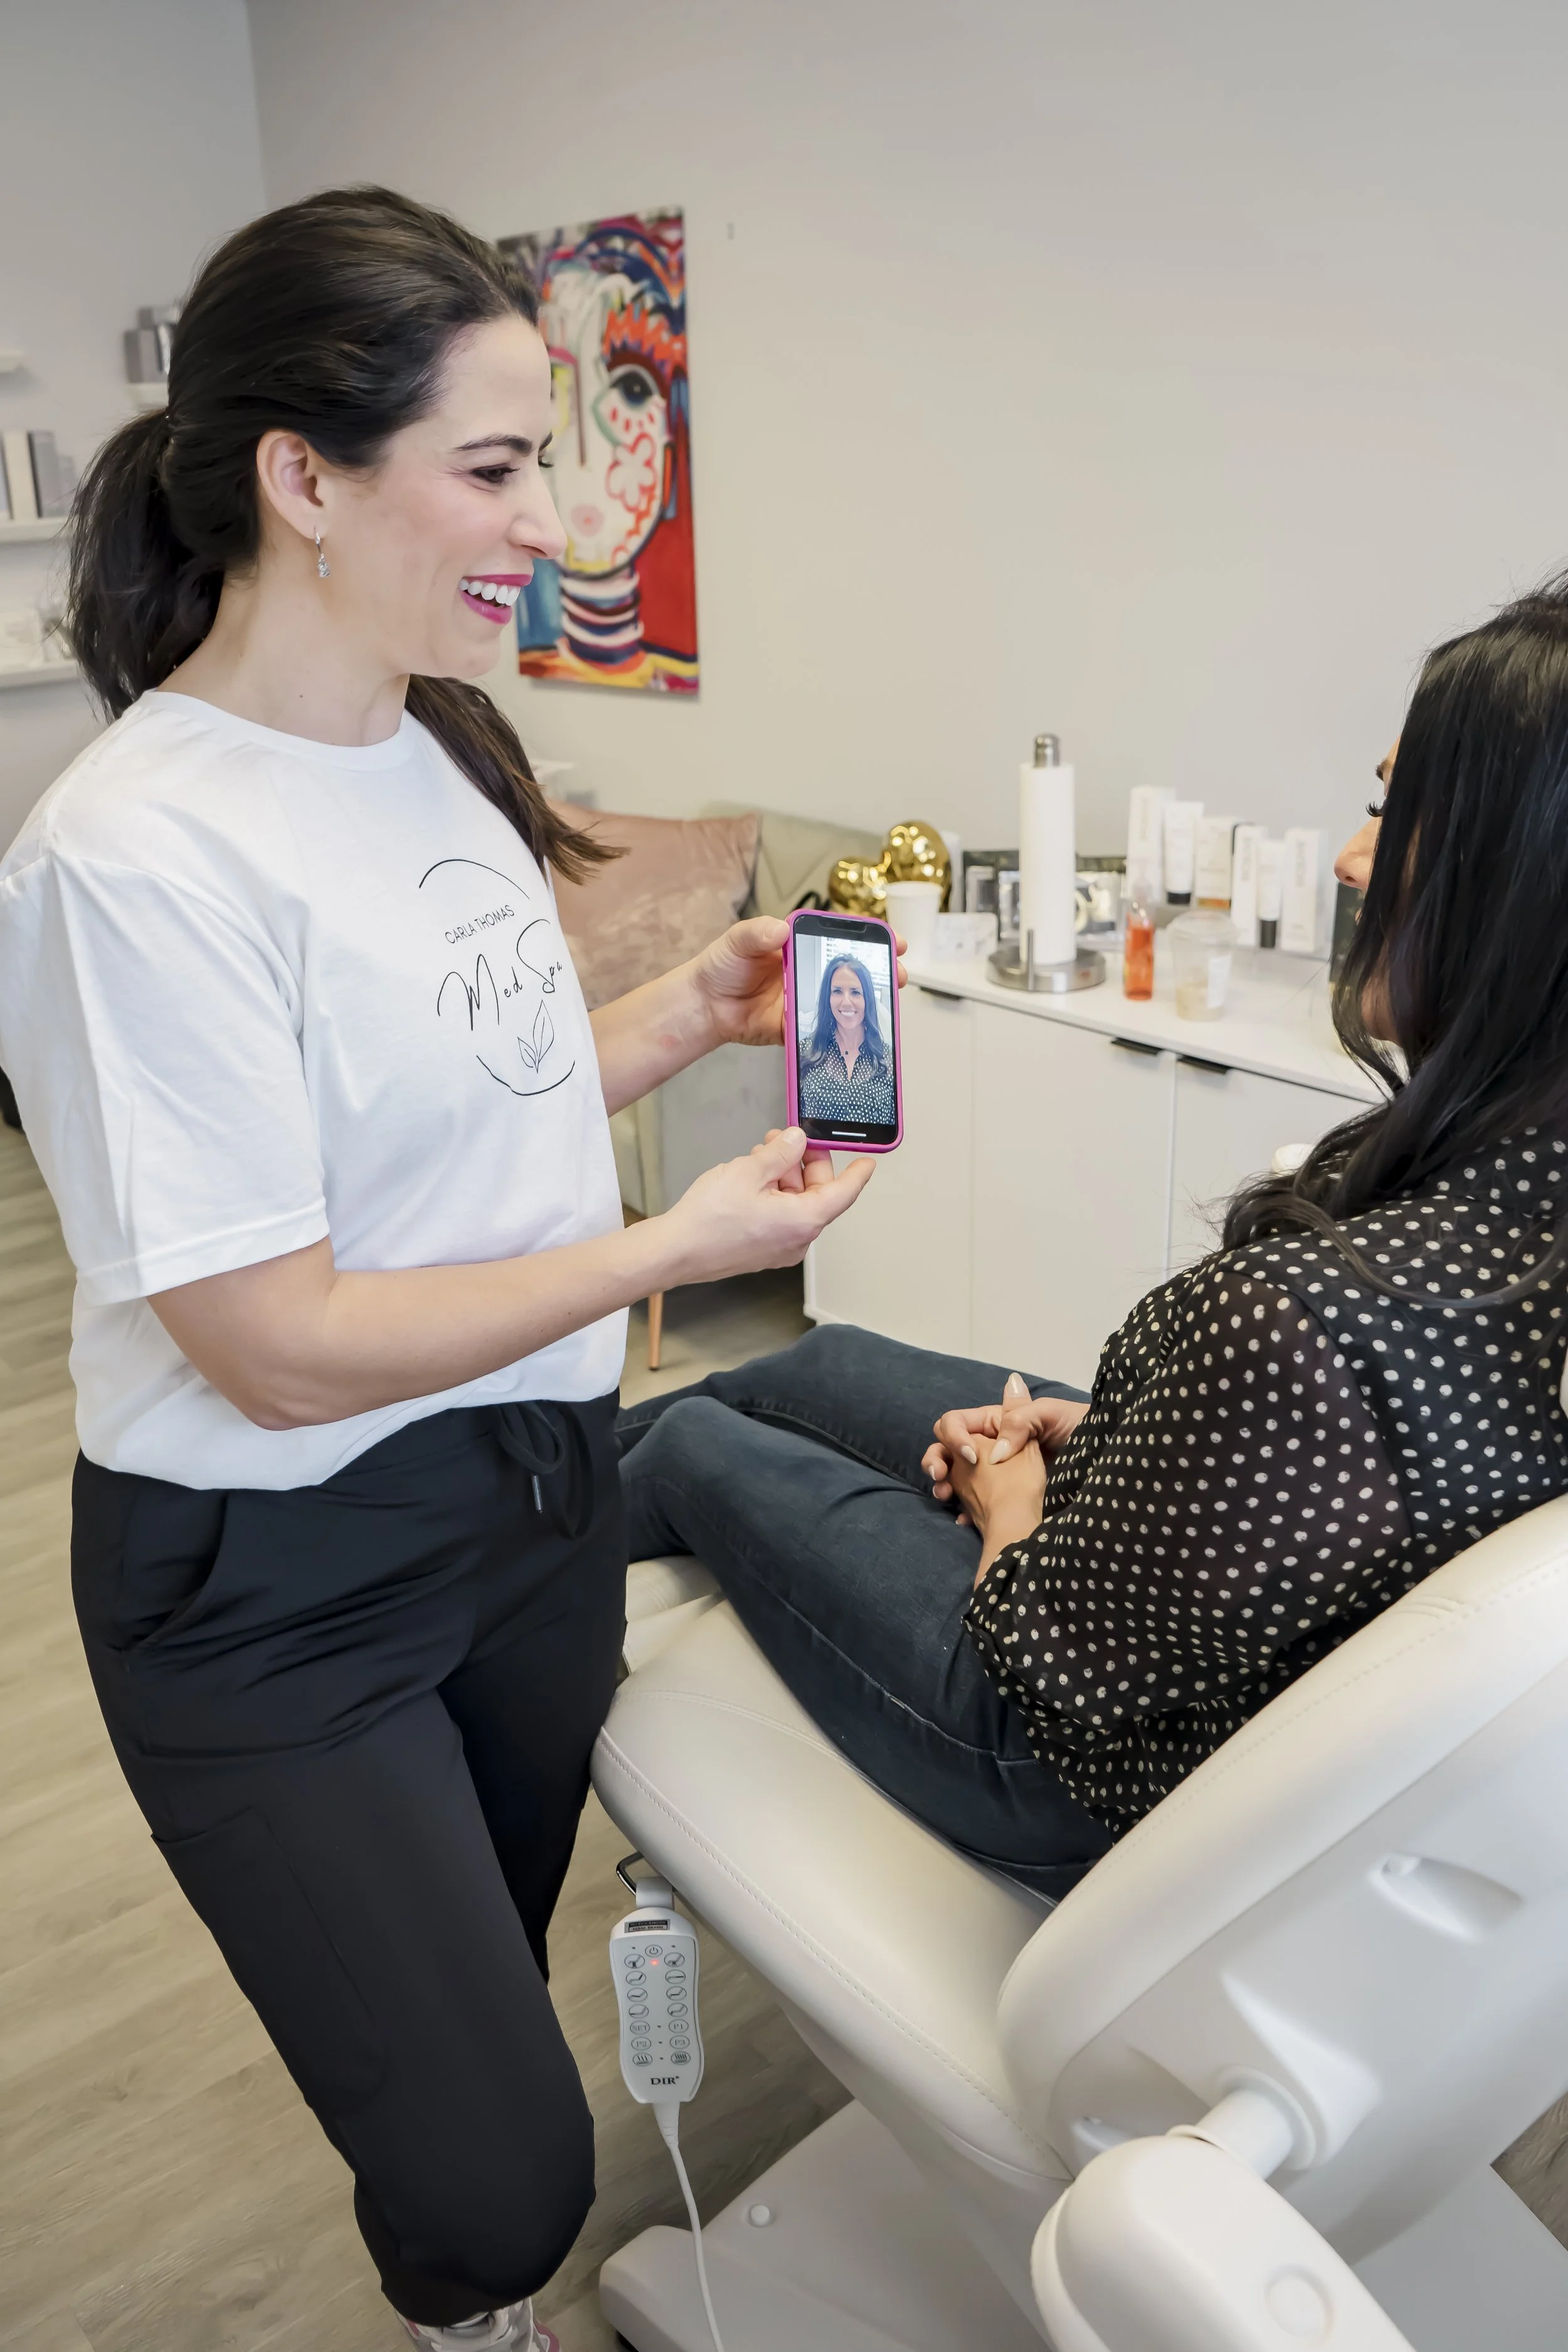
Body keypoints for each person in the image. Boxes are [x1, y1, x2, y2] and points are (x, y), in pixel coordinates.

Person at [0, 188, 882, 2352]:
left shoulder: (430, 746)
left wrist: (674, 1021)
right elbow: (283, 1349)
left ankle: (450, 2303)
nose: (556, 518)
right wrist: (670, 1245)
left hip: (526, 1495)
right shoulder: (133, 859)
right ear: (303, 479)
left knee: (470, 2002)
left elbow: (454, 1118)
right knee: (505, 2168)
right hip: (285, 1579)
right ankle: (468, 2298)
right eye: (495, 468)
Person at [621, 580, 1568, 1899]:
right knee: (794, 1373)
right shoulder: (1516, 1209)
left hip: (1061, 1757)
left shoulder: (1313, 1321)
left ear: (1516, 886)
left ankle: (450, 1597)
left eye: (1391, 813)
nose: (1352, 857)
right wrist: (1122, 1438)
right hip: (1217, 1623)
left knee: (688, 1434)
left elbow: (1042, 1669)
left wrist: (1014, 1508)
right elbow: (1344, 1507)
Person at [797, 952, 896, 1126]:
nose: (846, 1002)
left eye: (856, 993)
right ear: (828, 998)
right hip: (816, 1152)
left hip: (874, 1153)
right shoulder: (804, 1051)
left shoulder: (890, 1060)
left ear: (868, 1000)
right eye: (837, 991)